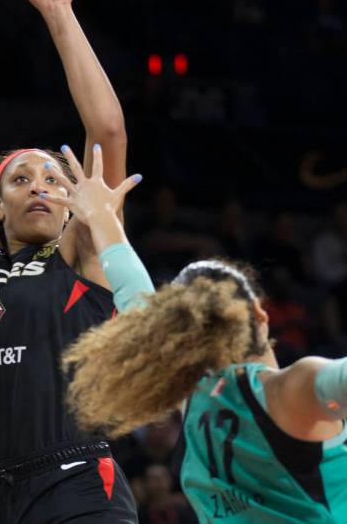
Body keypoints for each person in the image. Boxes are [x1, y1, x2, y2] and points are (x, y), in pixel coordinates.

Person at [0, 0, 137, 523]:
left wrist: (58, 11)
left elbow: (106, 131)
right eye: (22, 180)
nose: (42, 188)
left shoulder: (83, 251)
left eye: (55, 179)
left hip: (75, 483)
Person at [56, 161, 347, 523]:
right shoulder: (292, 388)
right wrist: (100, 216)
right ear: (260, 313)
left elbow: (135, 298)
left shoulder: (193, 399)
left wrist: (101, 217)